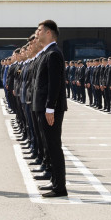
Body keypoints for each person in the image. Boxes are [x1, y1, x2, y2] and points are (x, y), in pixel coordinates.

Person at [32, 20, 68, 198]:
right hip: (43, 107)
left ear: (48, 33)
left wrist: (50, 108)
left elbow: (55, 84)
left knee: (54, 146)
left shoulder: (53, 54)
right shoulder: (47, 53)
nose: (36, 33)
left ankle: (60, 187)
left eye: (39, 30)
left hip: (49, 108)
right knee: (49, 145)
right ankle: (55, 181)